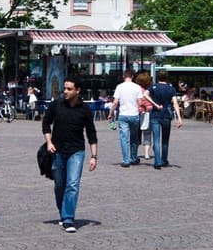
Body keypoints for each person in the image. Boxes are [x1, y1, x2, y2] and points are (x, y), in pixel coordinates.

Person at [42, 77, 98, 232]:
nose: (65, 92)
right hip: (57, 150)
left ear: (78, 90)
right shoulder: (56, 105)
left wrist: (94, 156)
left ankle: (68, 218)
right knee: (60, 185)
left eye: (69, 89)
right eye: (64, 89)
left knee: (72, 184)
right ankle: (63, 211)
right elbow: (46, 123)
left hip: (76, 151)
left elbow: (91, 133)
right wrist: (49, 142)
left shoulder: (85, 110)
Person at [146, 70, 180, 168]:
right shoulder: (171, 89)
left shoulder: (153, 87)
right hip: (166, 115)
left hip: (155, 115)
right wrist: (179, 117)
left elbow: (145, 95)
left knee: (156, 139)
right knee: (165, 140)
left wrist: (155, 104)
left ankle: (157, 162)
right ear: (167, 77)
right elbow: (175, 103)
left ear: (157, 77)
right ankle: (164, 160)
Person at [111, 69, 145, 167]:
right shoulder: (137, 87)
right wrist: (144, 107)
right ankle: (133, 158)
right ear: (132, 76)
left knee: (124, 138)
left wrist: (111, 113)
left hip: (123, 115)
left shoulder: (119, 87)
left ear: (123, 76)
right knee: (134, 138)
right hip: (134, 115)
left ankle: (126, 160)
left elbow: (115, 102)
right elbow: (140, 102)